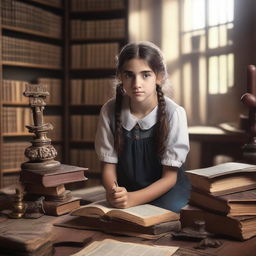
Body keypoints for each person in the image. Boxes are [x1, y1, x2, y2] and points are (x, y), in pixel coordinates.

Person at [95, 41, 190, 213]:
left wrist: (133, 199)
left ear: (159, 77)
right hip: (126, 191)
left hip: (166, 191)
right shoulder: (109, 110)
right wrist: (114, 192)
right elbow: (108, 168)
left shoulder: (174, 113)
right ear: (120, 77)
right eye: (129, 75)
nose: (136, 83)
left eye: (146, 75)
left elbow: (169, 178)